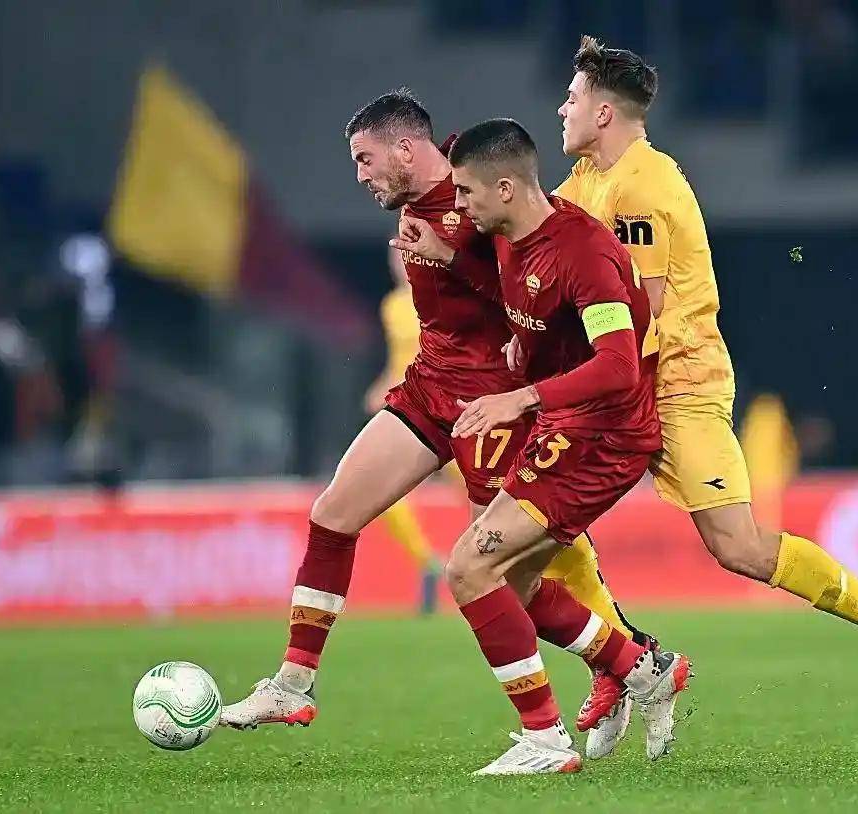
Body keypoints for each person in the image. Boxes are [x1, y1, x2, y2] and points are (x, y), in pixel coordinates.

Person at [220, 94, 661, 760]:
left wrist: (459, 266)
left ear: (406, 150)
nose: (361, 176)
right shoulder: (423, 200)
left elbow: (532, 283)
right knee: (333, 514)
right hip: (430, 389)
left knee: (496, 577)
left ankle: (620, 672)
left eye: (366, 160)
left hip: (494, 404)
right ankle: (292, 684)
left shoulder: (480, 192)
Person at [551, 36, 858, 708]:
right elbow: (530, 229)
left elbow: (641, 313)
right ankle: (620, 658)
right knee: (538, 517)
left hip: (678, 384)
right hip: (621, 383)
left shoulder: (644, 186)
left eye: (573, 97)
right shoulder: (589, 178)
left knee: (739, 548)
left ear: (605, 112)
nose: (563, 108)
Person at [391, 118, 690, 775]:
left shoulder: (584, 252)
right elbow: (517, 298)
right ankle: (642, 669)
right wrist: (450, 262)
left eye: (464, 192)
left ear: (505, 187)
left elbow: (618, 365)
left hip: (606, 436)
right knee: (513, 584)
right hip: (565, 427)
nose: (456, 207)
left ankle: (544, 740)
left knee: (469, 569)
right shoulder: (505, 236)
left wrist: (521, 397)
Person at [365, 246, 444, 613]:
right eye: (393, 259)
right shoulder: (392, 306)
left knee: (487, 493)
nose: (400, 264)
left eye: (404, 256)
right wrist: (381, 386)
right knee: (385, 495)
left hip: (448, 409)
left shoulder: (440, 293)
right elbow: (396, 359)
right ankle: (428, 563)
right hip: (412, 413)